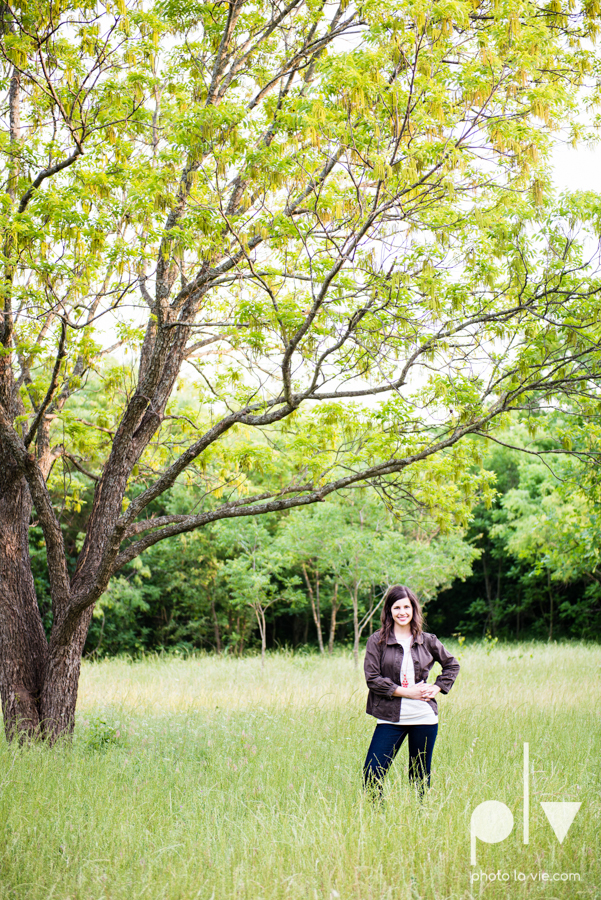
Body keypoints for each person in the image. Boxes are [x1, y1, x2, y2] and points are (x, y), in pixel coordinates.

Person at [363, 584, 460, 796]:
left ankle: (421, 820)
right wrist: (408, 692)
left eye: (407, 607)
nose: (402, 612)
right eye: (397, 607)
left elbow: (452, 665)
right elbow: (372, 679)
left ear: (414, 609)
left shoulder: (428, 640)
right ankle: (376, 821)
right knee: (372, 774)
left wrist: (436, 687)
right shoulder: (377, 641)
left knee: (419, 779)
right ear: (389, 610)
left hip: (423, 718)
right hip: (390, 719)